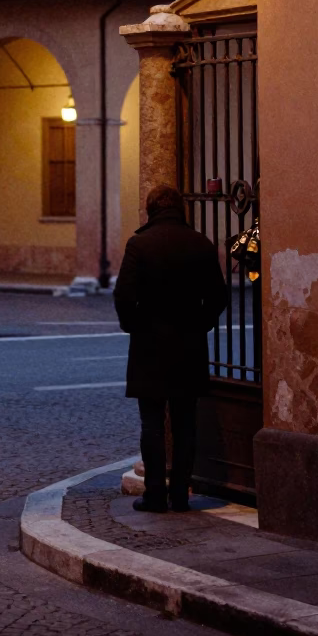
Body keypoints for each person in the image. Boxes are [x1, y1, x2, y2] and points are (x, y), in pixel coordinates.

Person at [114, 182, 227, 513]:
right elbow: (219, 296)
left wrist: (133, 324)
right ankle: (180, 494)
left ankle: (154, 494)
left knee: (151, 423)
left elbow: (123, 295)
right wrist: (201, 323)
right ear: (180, 209)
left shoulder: (139, 244)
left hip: (149, 345)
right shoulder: (201, 243)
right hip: (189, 345)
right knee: (185, 422)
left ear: (150, 210)